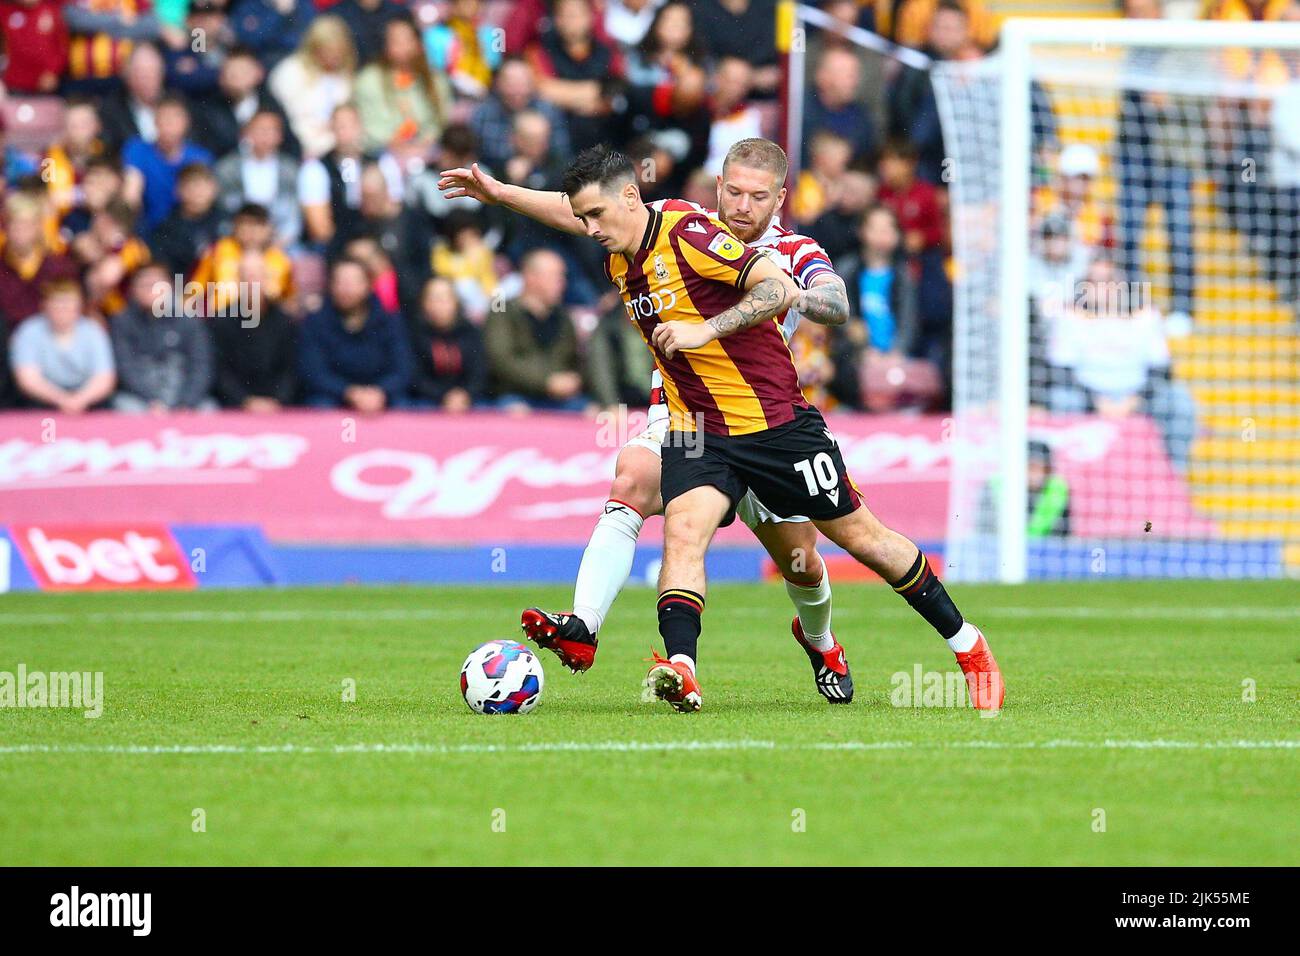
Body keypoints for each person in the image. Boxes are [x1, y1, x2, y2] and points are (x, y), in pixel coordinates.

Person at [442, 142, 1005, 712]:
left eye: (756, 196)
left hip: (775, 422)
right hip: (693, 422)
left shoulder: (758, 244)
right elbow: (590, 209)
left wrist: (711, 326)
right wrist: (500, 192)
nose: (741, 205)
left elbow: (813, 297)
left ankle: (955, 645)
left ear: (779, 198)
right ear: (718, 187)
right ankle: (674, 665)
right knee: (675, 524)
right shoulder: (645, 229)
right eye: (732, 191)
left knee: (838, 549)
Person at [297, 256, 413, 411]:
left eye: (353, 282)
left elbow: (403, 368)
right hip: (333, 395)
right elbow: (313, 371)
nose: (346, 288)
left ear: (369, 285)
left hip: (381, 395)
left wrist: (381, 392)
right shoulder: (316, 321)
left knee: (405, 407)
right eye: (340, 282)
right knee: (319, 406)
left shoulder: (389, 320)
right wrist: (349, 393)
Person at [483, 248, 586, 411]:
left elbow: (574, 360)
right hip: (515, 395)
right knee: (515, 416)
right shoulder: (501, 310)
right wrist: (547, 382)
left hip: (561, 399)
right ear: (530, 277)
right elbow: (501, 360)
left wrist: (576, 379)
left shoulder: (563, 316)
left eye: (562, 277)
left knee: (591, 413)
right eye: (555, 277)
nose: (562, 283)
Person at [109, 263, 215, 412]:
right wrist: (151, 400)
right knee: (124, 408)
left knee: (209, 410)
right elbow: (125, 367)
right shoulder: (122, 322)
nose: (151, 290)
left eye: (157, 284)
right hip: (141, 399)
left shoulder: (189, 321)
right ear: (133, 289)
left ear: (170, 287)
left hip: (183, 397)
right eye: (144, 285)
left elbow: (200, 366)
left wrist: (187, 403)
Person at [9, 280, 116, 413]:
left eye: (67, 304)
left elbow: (104, 378)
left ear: (79, 307)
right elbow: (28, 379)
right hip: (42, 400)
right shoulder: (28, 330)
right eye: (57, 304)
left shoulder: (93, 331)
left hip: (88, 400)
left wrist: (79, 400)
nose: (62, 309)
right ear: (44, 306)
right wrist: (62, 400)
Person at [409, 276, 487, 411]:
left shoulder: (471, 332)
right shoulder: (414, 333)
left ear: (456, 302)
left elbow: (479, 371)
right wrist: (443, 396)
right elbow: (414, 375)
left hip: (468, 399)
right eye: (433, 298)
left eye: (445, 298)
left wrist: (465, 395)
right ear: (423, 303)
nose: (439, 304)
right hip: (427, 399)